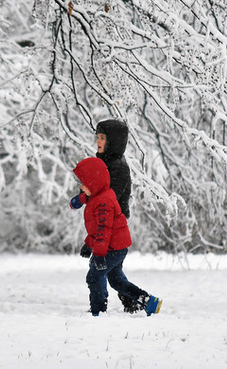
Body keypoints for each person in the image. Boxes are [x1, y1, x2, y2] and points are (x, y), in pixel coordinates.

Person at [72, 157, 161, 317]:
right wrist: (88, 244)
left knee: (94, 276)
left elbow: (103, 230)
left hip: (111, 249)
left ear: (94, 184)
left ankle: (98, 311)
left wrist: (98, 254)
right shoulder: (98, 196)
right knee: (117, 281)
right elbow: (97, 230)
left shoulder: (103, 202)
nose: (81, 186)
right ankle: (149, 302)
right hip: (117, 247)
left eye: (84, 183)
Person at [70, 119, 139, 312]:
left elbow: (106, 198)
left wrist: (85, 198)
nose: (98, 141)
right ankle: (133, 302)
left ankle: (105, 306)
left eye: (102, 138)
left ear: (114, 141)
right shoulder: (102, 161)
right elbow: (95, 189)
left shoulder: (118, 166)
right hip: (107, 222)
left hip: (114, 224)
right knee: (114, 272)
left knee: (104, 269)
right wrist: (82, 197)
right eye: (97, 137)